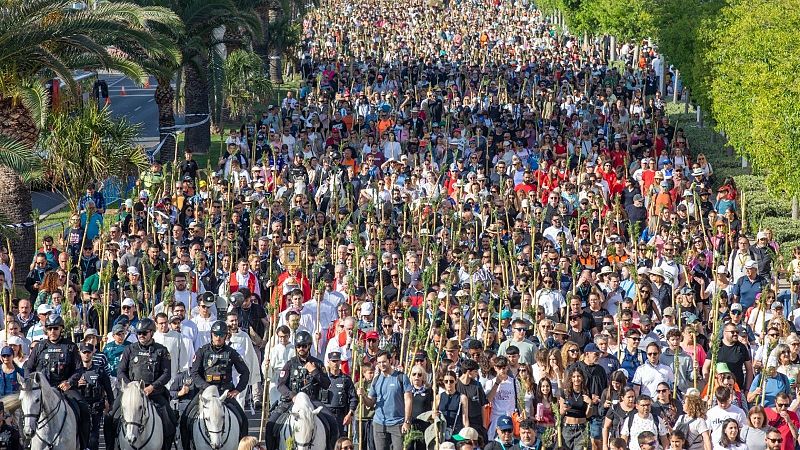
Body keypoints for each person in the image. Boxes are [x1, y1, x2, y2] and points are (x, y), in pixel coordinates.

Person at [23, 314, 90, 450]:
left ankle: (83, 445)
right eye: (50, 328)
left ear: (61, 329)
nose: (52, 331)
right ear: (46, 330)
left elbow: (79, 369)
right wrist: (31, 383)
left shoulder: (70, 347)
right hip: (42, 390)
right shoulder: (39, 347)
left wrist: (70, 382)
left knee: (84, 409)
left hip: (64, 388)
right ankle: (25, 443)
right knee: (25, 410)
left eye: (55, 328)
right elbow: (28, 367)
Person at [109, 318, 175, 450]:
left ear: (152, 333)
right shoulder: (129, 349)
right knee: (110, 418)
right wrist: (130, 387)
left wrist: (152, 387)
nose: (141, 336)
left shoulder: (161, 351)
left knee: (170, 420)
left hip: (153, 393)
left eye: (144, 333)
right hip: (130, 393)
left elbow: (166, 374)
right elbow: (121, 371)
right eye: (139, 333)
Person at [184, 320, 250, 450]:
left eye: (221, 334)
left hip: (224, 393)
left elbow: (245, 372)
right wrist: (205, 387)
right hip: (205, 393)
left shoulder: (231, 352)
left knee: (243, 420)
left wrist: (237, 390)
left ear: (226, 336)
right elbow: (194, 372)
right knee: (185, 419)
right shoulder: (202, 351)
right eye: (216, 334)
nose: (218, 337)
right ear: (211, 335)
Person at [267, 330, 337, 450]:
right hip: (291, 401)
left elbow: (327, 384)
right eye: (298, 346)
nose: (301, 349)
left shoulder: (317, 363)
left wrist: (315, 372)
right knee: (270, 425)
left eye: (304, 346)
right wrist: (292, 395)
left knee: (332, 422)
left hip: (312, 401)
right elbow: (280, 384)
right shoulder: (290, 364)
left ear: (309, 346)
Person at [357, 350, 412, 450]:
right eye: (379, 363)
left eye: (384, 361)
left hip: (398, 423)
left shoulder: (401, 377)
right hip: (379, 423)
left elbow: (408, 400)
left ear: (390, 360)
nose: (381, 364)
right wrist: (363, 396)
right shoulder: (376, 380)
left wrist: (407, 421)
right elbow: (370, 403)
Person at [77, 342, 113, 450]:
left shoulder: (100, 370)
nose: (86, 355)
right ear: (80, 353)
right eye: (84, 352)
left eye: (88, 352)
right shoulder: (75, 372)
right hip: (80, 407)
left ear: (92, 353)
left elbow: (108, 389)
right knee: (80, 435)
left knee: (94, 438)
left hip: (95, 408)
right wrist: (76, 384)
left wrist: (111, 405)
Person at [323, 351, 358, 437]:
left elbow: (354, 398)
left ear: (340, 362)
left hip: (340, 415)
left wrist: (350, 414)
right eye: (333, 361)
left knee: (339, 441)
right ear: (329, 362)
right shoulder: (323, 378)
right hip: (325, 414)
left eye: (337, 361)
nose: (335, 363)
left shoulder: (346, 379)